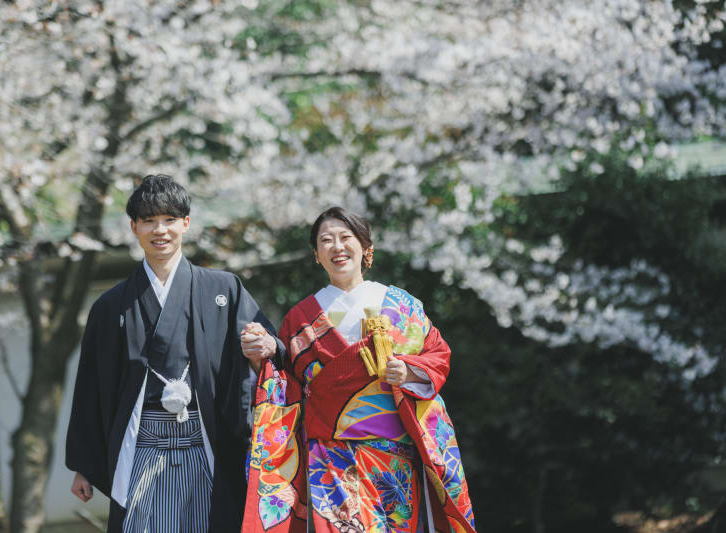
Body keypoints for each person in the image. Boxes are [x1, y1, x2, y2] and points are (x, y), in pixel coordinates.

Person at [66, 174, 281, 533]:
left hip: (206, 439)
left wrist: (264, 350)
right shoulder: (111, 306)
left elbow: (269, 350)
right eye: (149, 221)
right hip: (142, 444)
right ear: (133, 227)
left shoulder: (223, 290)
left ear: (186, 223)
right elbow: (91, 385)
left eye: (169, 219)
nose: (160, 230)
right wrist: (84, 465)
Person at [242, 207, 476, 533]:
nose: (337, 247)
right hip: (331, 455)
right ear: (316, 255)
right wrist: (264, 355)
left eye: (345, 237)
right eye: (326, 240)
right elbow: (287, 385)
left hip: (395, 452)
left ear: (366, 247)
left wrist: (408, 372)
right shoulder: (300, 318)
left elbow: (438, 355)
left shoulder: (401, 304)